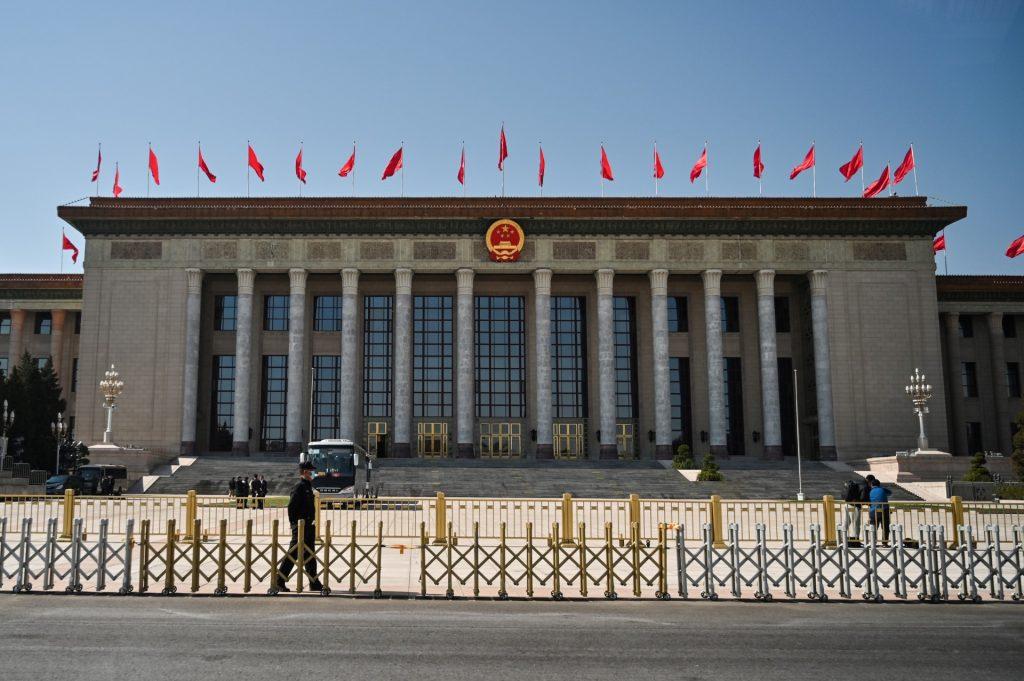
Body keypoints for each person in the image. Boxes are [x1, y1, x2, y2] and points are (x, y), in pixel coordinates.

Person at [276, 461, 323, 592]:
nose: (313, 473)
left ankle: (314, 582)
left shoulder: (308, 486)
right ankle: (279, 580)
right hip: (300, 527)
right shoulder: (299, 487)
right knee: (293, 554)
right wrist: (294, 525)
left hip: (309, 526)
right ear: (304, 472)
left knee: (309, 554)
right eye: (311, 471)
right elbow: (292, 507)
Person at [868, 478, 892, 545]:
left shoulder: (871, 491)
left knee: (874, 527)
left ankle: (873, 542)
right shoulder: (882, 489)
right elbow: (890, 493)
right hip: (884, 510)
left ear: (872, 485)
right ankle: (884, 543)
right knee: (885, 527)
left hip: (873, 511)